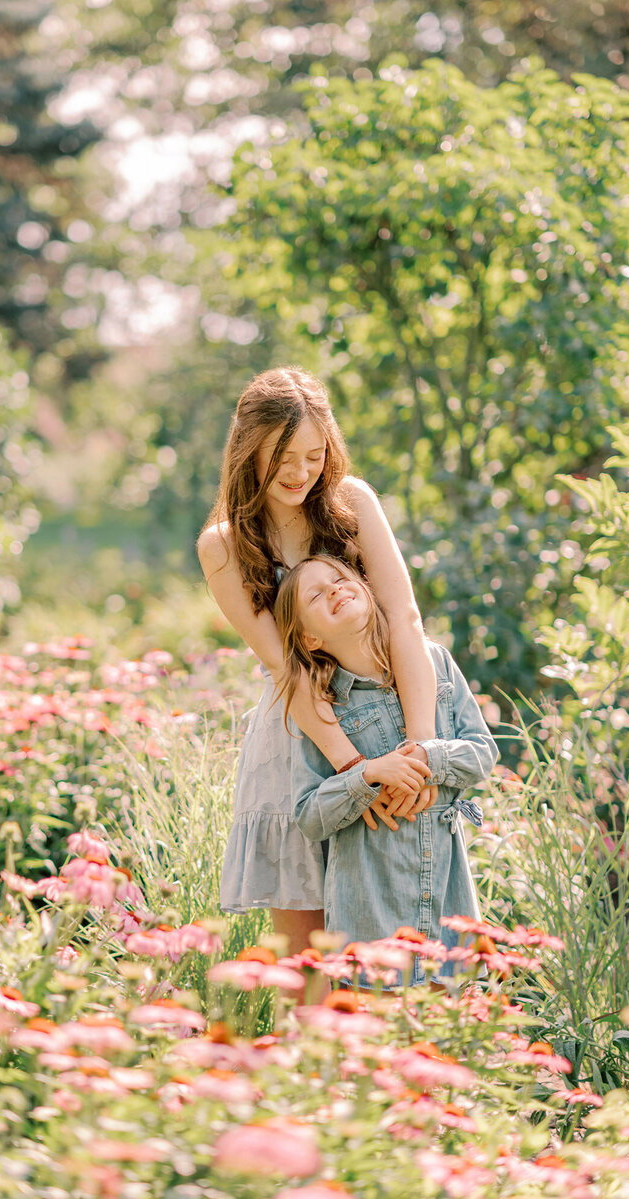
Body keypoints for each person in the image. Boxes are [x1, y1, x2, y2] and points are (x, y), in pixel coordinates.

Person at [197, 367, 438, 955]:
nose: (300, 472)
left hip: (393, 734)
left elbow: (405, 621)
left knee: (390, 953)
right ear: (246, 447)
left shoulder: (352, 502)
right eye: (281, 455)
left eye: (313, 455)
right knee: (310, 964)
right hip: (303, 747)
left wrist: (419, 750)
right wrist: (357, 771)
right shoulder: (224, 544)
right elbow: (288, 669)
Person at [274, 555, 498, 984]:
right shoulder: (321, 706)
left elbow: (483, 752)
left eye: (339, 579)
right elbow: (309, 815)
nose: (335, 589)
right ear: (310, 637)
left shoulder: (435, 663)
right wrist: (370, 775)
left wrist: (428, 759)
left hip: (446, 894)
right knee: (379, 1039)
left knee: (447, 1035)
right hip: (370, 909)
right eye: (316, 595)